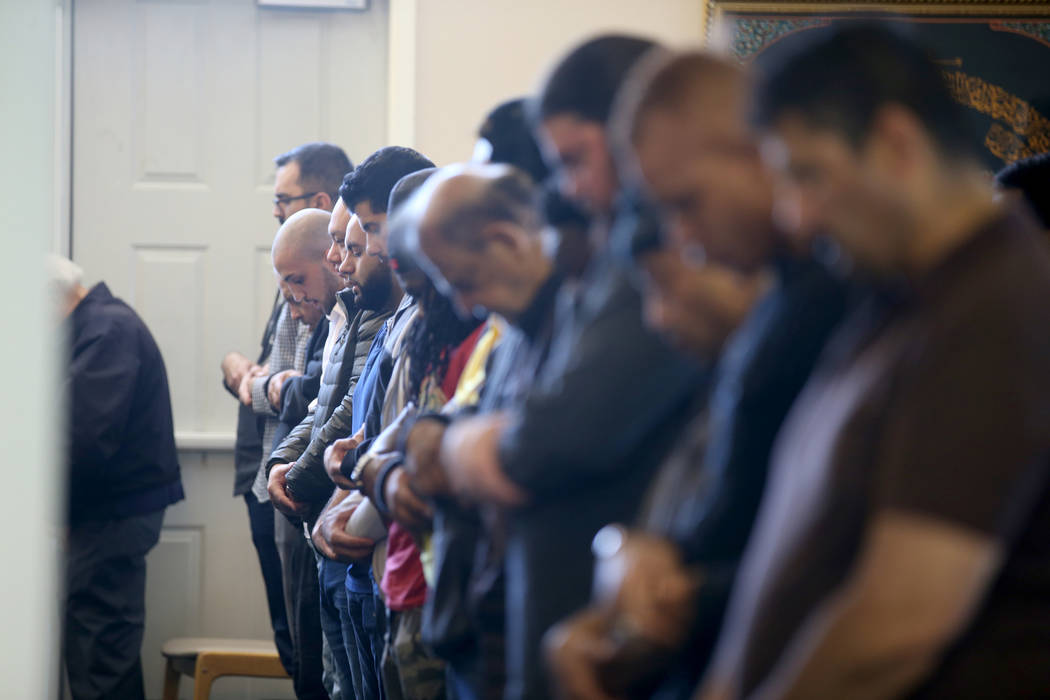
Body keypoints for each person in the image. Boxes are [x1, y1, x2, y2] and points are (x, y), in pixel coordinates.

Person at [698, 25, 1050, 699]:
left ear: (896, 143)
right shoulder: (901, 295)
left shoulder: (997, 307)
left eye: (809, 175)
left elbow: (899, 626)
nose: (794, 217)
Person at [544, 49, 850, 700]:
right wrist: (628, 554)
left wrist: (677, 594)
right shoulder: (784, 305)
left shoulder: (840, 303)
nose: (686, 237)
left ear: (755, 152)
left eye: (687, 203)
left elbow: (831, 553)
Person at [437, 35, 702, 700]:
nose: (569, 190)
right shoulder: (613, 256)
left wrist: (463, 445)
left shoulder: (651, 261)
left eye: (576, 160)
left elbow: (553, 437)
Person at [220, 141, 351, 682]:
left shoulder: (334, 283)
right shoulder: (292, 265)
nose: (275, 209)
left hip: (308, 481)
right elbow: (285, 373)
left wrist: (256, 384)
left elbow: (314, 391)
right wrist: (254, 377)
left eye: (283, 199)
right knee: (293, 644)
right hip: (270, 472)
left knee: (317, 659)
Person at [54, 255, 184, 700]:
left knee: (100, 652)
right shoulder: (100, 326)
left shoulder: (105, 330)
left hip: (112, 515)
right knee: (100, 647)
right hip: (110, 511)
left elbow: (82, 441)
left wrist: (56, 513)